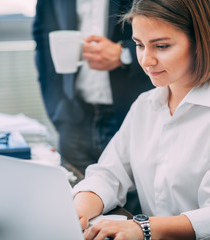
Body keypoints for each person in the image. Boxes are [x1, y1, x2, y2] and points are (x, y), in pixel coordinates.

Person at [72, 0, 210, 239]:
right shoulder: (145, 106)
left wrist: (143, 229)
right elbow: (109, 174)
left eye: (162, 46)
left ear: (199, 42)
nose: (146, 60)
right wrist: (77, 212)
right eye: (139, 45)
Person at [32, 0, 154, 174]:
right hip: (73, 117)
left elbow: (172, 32)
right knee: (75, 196)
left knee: (133, 197)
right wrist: (57, 110)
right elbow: (43, 42)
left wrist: (124, 53)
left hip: (133, 117)